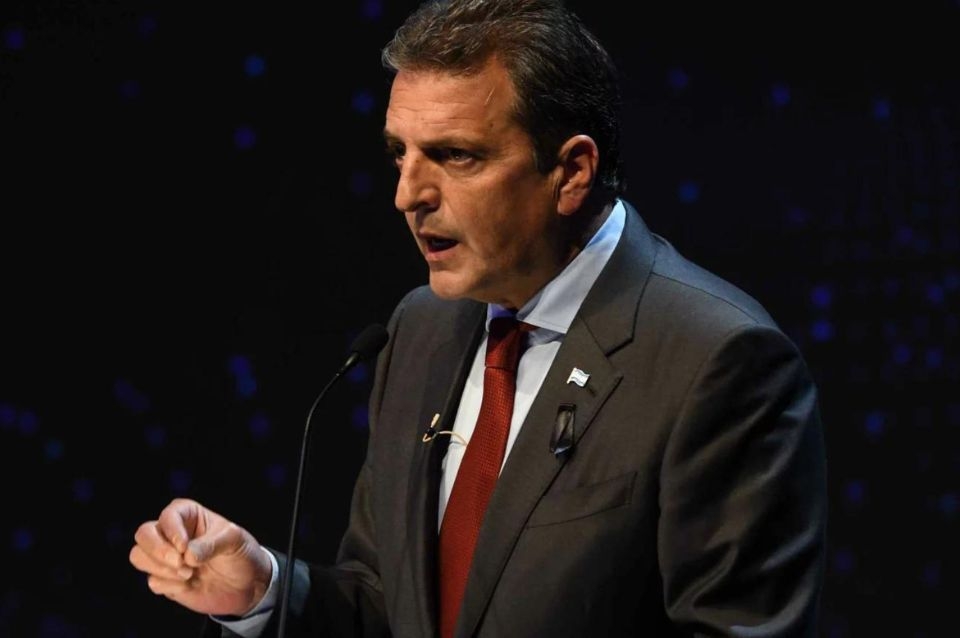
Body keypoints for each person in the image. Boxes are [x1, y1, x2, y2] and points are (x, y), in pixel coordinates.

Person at [129, 0, 828, 636]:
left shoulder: (717, 361)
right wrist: (266, 592)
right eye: (399, 154)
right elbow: (388, 606)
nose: (408, 195)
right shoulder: (422, 329)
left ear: (571, 171)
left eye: (455, 156)